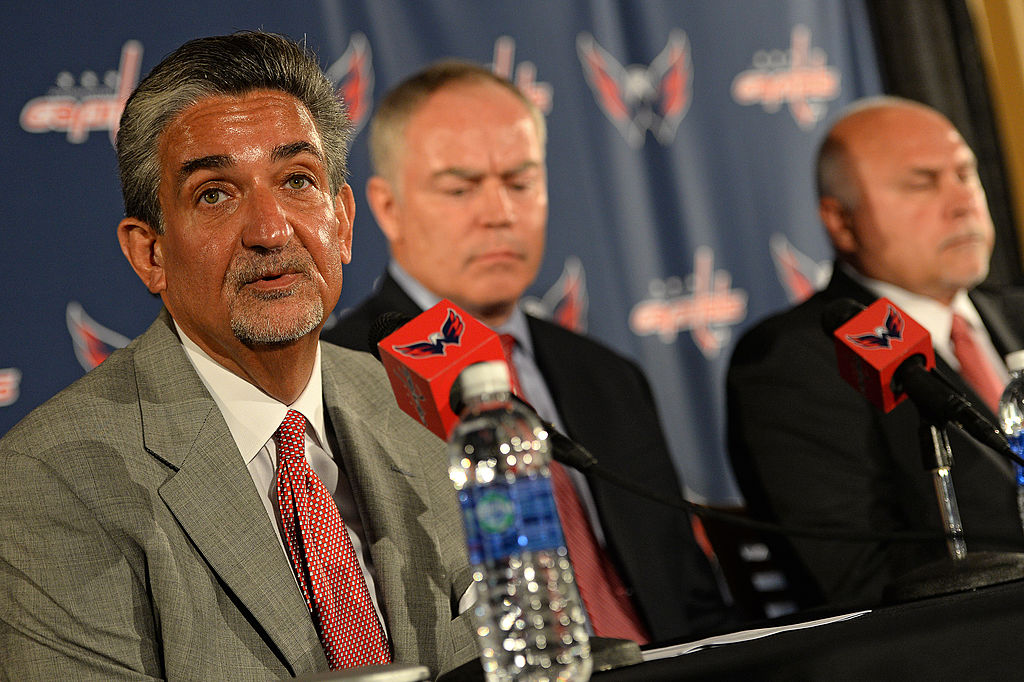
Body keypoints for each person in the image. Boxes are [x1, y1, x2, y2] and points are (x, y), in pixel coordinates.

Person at [0, 32, 478, 680]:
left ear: (342, 221)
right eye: (216, 194)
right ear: (150, 253)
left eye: (297, 180)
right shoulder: (51, 480)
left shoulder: (421, 405)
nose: (271, 230)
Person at [321, 60, 731, 643]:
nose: (500, 214)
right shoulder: (341, 375)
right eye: (460, 188)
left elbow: (691, 599)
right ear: (387, 208)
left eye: (520, 182)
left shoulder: (607, 375)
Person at [727, 96, 1024, 610]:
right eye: (923, 182)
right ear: (841, 221)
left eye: (965, 174)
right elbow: (861, 581)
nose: (963, 202)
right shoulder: (796, 358)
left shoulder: (1016, 314)